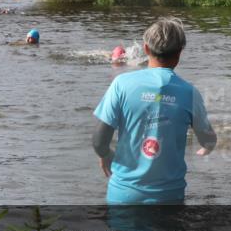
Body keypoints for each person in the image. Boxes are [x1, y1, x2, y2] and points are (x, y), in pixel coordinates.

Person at [92, 18, 217, 204]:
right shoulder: (190, 93)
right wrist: (206, 147)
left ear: (146, 48)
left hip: (123, 196)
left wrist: (106, 155)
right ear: (179, 53)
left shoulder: (121, 84)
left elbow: (99, 142)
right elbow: (208, 138)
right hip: (168, 198)